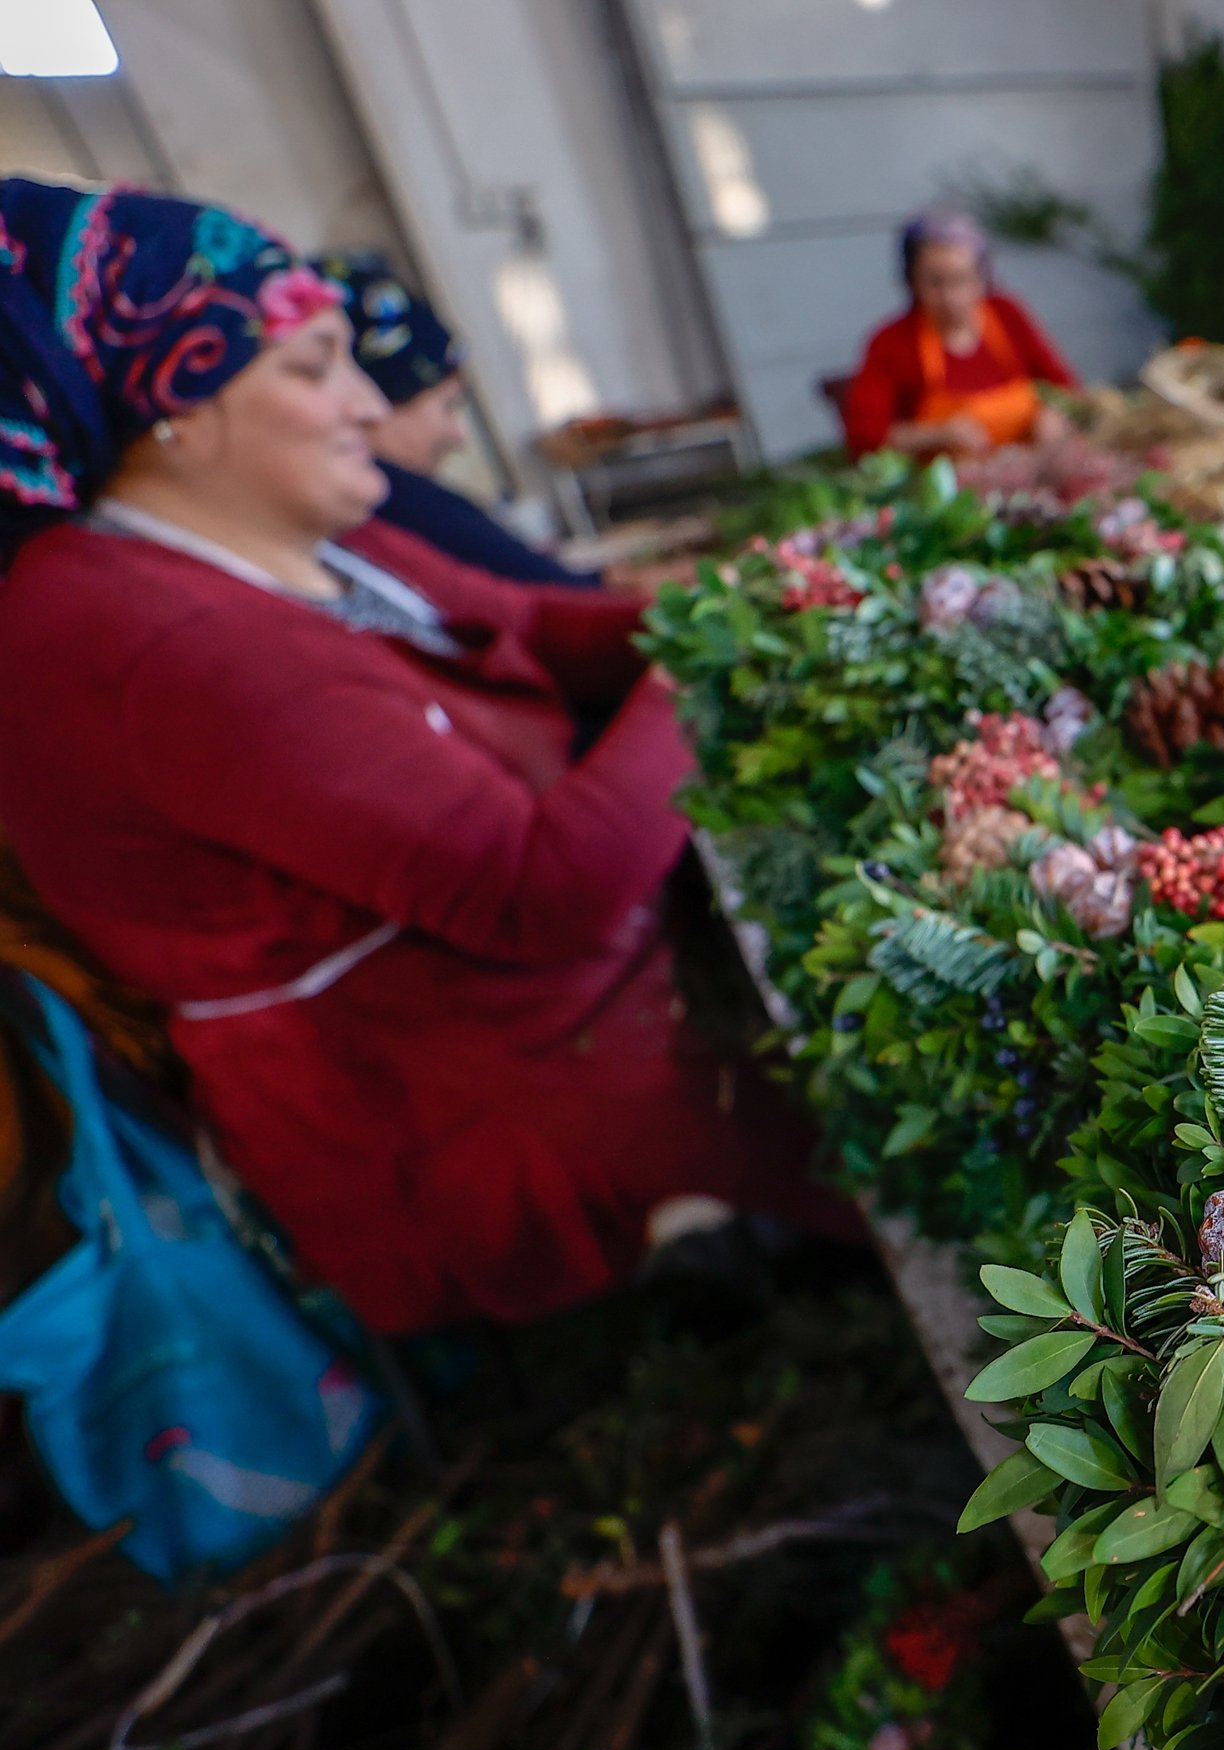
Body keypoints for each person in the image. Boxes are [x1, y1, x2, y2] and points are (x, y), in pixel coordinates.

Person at [0, 179, 856, 1335]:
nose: (364, 404)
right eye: (311, 368)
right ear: (179, 410)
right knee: (875, 1121)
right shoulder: (150, 637)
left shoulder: (300, 523)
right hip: (447, 1078)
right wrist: (710, 663)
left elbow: (530, 619)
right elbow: (541, 891)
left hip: (548, 980)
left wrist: (716, 607)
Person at [311, 251, 600, 589]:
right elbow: (562, 595)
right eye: (448, 406)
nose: (458, 435)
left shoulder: (374, 512)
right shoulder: (399, 504)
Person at [840, 208, 1077, 463]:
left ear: (982, 278)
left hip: (1030, 471)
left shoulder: (1008, 315)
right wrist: (936, 435)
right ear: (911, 282)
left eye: (961, 279)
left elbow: (1065, 388)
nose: (950, 297)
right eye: (935, 282)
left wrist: (1053, 415)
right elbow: (864, 438)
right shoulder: (890, 342)